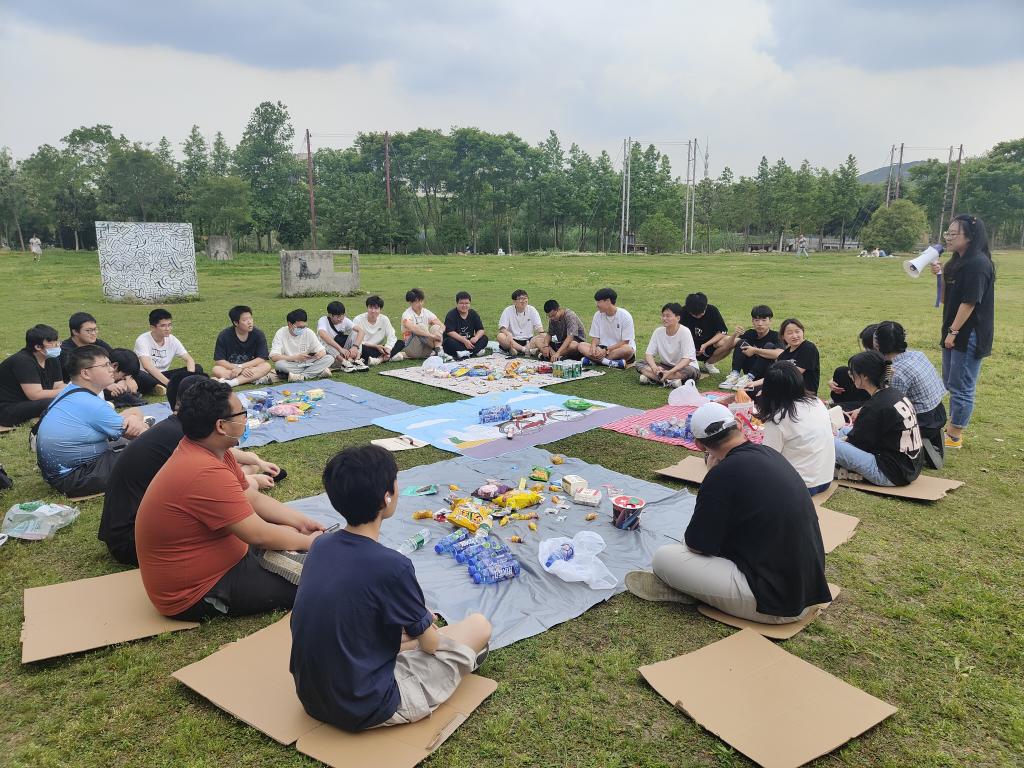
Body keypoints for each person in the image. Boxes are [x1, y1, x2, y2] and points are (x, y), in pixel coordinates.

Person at [290, 445, 492, 731]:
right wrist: (424, 629)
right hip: (366, 705)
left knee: (406, 634)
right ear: (386, 496)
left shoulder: (321, 545)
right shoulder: (393, 566)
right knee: (478, 626)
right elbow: (431, 645)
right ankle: (463, 662)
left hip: (311, 697)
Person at [624, 402, 832, 624]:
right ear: (739, 426)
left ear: (699, 445)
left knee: (664, 558)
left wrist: (711, 477)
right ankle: (701, 590)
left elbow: (696, 545)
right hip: (808, 587)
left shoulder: (721, 474)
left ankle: (690, 591)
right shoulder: (770, 454)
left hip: (776, 604)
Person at [136, 379, 325, 620]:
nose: (246, 418)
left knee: (294, 538)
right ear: (221, 426)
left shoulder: (211, 451)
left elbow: (251, 497)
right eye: (242, 413)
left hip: (228, 560)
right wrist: (311, 543)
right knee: (322, 580)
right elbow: (258, 534)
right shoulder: (203, 471)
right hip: (199, 592)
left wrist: (301, 522)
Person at [100, 374, 285, 566]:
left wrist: (255, 461)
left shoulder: (180, 431)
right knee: (238, 516)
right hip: (133, 541)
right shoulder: (186, 441)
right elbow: (251, 526)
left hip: (130, 531)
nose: (243, 419)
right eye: (240, 413)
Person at [35, 345, 150, 497]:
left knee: (129, 442)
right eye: (105, 365)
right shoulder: (90, 404)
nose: (111, 369)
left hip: (60, 473)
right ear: (85, 373)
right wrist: (139, 420)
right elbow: (140, 434)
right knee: (150, 452)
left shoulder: (71, 391)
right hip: (76, 477)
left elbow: (123, 422)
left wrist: (135, 416)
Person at [932, 214, 996, 449]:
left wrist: (954, 332)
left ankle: (954, 435)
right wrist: (940, 275)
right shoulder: (955, 263)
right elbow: (945, 299)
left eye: (953, 233)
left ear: (969, 236)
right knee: (950, 382)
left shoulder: (978, 264)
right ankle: (951, 427)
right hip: (953, 330)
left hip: (969, 333)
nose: (947, 238)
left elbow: (969, 303)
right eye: (947, 233)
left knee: (962, 386)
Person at [833, 351, 923, 487]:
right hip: (908, 466)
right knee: (842, 430)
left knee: (830, 443)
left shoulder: (875, 406)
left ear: (864, 376)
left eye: (852, 372)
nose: (850, 375)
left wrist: (837, 439)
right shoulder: (894, 394)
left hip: (889, 473)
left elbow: (857, 442)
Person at [874, 320, 947, 468]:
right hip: (939, 413)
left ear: (877, 344)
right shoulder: (918, 355)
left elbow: (891, 406)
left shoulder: (896, 371)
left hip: (923, 424)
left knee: (877, 423)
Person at [756, 361, 835, 495]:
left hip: (798, 486)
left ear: (768, 389)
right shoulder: (816, 402)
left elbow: (767, 460)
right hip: (825, 479)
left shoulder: (778, 419)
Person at [0, 324, 66, 427]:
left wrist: (75, 390)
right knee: (55, 401)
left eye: (56, 340)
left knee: (68, 398)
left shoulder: (52, 359)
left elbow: (58, 385)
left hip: (30, 403)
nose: (57, 345)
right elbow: (35, 395)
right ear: (38, 347)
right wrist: (67, 391)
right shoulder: (22, 361)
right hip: (7, 409)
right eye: (51, 342)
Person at [133, 308, 202, 395]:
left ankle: (157, 387)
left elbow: (189, 359)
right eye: (163, 326)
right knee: (140, 376)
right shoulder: (142, 340)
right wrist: (169, 384)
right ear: (153, 328)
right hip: (147, 375)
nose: (167, 329)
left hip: (164, 375)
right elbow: (147, 366)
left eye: (169, 325)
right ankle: (157, 387)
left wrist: (189, 378)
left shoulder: (172, 339)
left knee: (197, 368)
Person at [719, 305, 783, 391]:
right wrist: (735, 335)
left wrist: (755, 350)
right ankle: (734, 375)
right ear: (752, 321)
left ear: (770, 321)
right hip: (749, 368)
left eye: (764, 320)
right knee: (741, 342)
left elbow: (780, 353)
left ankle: (749, 377)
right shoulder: (750, 333)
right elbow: (727, 346)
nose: (760, 324)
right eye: (757, 320)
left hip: (765, 372)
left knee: (769, 346)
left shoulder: (775, 336)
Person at [636, 302, 699, 388]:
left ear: (678, 318)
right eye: (663, 315)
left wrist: (670, 372)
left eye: (668, 316)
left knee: (690, 371)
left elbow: (687, 359)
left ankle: (654, 378)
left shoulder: (685, 332)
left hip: (683, 367)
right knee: (639, 363)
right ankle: (671, 381)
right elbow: (649, 354)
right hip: (665, 366)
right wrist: (654, 368)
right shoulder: (658, 332)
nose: (664, 318)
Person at [211, 305, 274, 386]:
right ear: (236, 323)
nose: (249, 322)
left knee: (266, 366)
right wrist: (237, 368)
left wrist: (241, 367)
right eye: (245, 320)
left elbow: (261, 358)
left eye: (250, 318)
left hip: (250, 367)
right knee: (216, 369)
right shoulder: (224, 335)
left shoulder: (258, 334)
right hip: (231, 368)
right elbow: (219, 361)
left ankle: (231, 382)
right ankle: (252, 378)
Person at [269, 309, 334, 382]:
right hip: (292, 364)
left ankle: (301, 376)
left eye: (304, 327)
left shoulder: (308, 332)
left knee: (329, 358)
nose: (302, 329)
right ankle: (317, 372)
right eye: (299, 327)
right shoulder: (281, 333)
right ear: (290, 324)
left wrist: (319, 355)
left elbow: (322, 350)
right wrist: (295, 357)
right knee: (279, 365)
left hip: (308, 363)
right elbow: (274, 357)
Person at [578, 288, 636, 368]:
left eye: (599, 302)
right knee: (581, 345)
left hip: (617, 349)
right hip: (601, 348)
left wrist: (606, 350)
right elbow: (596, 338)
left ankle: (593, 361)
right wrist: (593, 347)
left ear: (608, 301)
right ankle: (610, 362)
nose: (597, 305)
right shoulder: (597, 315)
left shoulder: (625, 316)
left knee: (628, 350)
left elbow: (625, 342)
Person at [828, 324, 877, 411]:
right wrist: (832, 381)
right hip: (861, 395)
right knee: (841, 371)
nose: (864, 351)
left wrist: (860, 410)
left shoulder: (890, 367)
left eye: (868, 349)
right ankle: (838, 406)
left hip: (873, 400)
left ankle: (840, 408)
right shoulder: (871, 358)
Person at [680, 292, 729, 374]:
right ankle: (685, 363)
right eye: (695, 315)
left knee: (729, 341)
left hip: (709, 346)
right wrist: (689, 347)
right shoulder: (682, 313)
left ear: (706, 306)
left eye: (701, 313)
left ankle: (709, 364)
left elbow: (722, 332)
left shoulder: (712, 310)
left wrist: (706, 344)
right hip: (688, 348)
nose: (699, 316)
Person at [351, 295, 406, 366]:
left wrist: (388, 348)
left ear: (380, 309)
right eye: (370, 308)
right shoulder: (358, 319)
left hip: (380, 348)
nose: (373, 311)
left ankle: (379, 360)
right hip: (365, 347)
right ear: (367, 308)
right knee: (362, 349)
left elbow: (391, 335)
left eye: (376, 308)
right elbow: (357, 341)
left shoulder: (384, 319)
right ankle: (391, 356)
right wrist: (375, 346)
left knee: (401, 343)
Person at [317, 301, 367, 372]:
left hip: (343, 351)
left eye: (342, 315)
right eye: (338, 317)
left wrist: (354, 347)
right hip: (329, 352)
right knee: (323, 339)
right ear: (330, 315)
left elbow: (361, 331)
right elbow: (322, 333)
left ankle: (357, 361)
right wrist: (340, 349)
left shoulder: (345, 320)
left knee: (356, 332)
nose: (340, 318)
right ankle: (344, 363)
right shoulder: (323, 320)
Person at [776, 318, 820, 395]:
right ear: (783, 336)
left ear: (802, 332)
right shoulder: (783, 355)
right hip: (786, 393)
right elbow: (774, 375)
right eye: (789, 333)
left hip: (805, 395)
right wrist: (754, 383)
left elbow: (795, 373)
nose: (794, 336)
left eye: (797, 331)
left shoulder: (809, 348)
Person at [400, 288, 446, 360]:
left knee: (436, 327)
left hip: (426, 349)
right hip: (412, 349)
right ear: (410, 303)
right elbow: (413, 329)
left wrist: (439, 333)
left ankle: (438, 350)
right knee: (421, 327)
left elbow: (442, 325)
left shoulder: (426, 312)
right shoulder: (407, 314)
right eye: (417, 302)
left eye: (421, 301)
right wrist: (432, 336)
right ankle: (439, 350)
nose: (420, 304)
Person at [497, 289, 544, 356]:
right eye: (520, 299)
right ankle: (525, 350)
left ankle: (516, 350)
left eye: (525, 298)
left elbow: (539, 327)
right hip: (513, 340)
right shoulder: (508, 310)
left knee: (544, 337)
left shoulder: (532, 310)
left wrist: (542, 334)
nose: (524, 301)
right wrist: (508, 334)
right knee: (500, 336)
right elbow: (502, 327)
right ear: (514, 301)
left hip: (528, 341)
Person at [442, 291, 489, 359]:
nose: (464, 306)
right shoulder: (451, 314)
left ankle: (465, 353)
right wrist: (464, 341)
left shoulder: (473, 313)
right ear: (457, 303)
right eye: (461, 303)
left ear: (470, 304)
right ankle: (474, 352)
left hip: (470, 341)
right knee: (448, 342)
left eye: (467, 303)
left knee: (484, 338)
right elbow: (450, 332)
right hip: (457, 341)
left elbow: (481, 330)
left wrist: (476, 338)